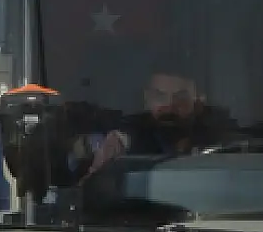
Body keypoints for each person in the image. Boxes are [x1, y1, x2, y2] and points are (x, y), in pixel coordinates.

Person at [86, 70, 229, 174]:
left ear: (198, 100)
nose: (170, 106)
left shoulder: (221, 142)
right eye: (160, 97)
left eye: (181, 97)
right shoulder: (126, 142)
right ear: (146, 99)